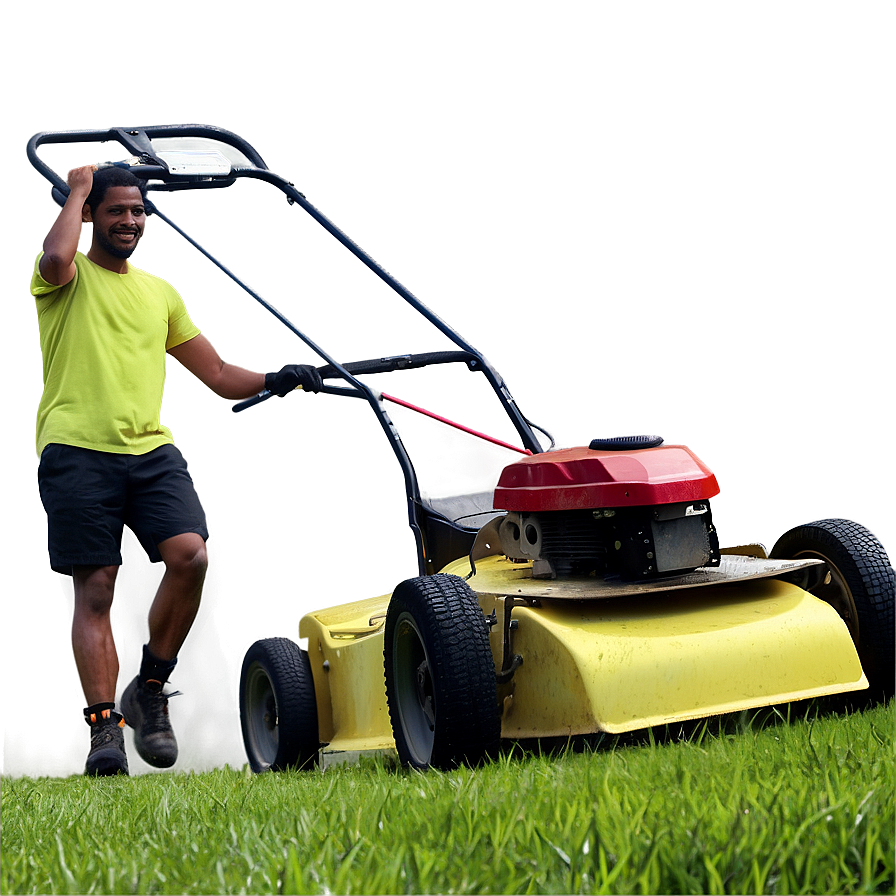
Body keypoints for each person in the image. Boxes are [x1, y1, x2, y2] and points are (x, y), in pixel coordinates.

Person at [32, 163, 322, 776]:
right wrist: (79, 187)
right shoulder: (67, 277)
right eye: (117, 211)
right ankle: (103, 727)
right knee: (98, 586)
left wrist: (277, 378)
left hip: (151, 452)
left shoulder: (160, 292)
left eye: (138, 211)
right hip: (77, 452)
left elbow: (217, 376)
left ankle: (151, 690)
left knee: (191, 556)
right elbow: (55, 259)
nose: (131, 221)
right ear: (91, 215)